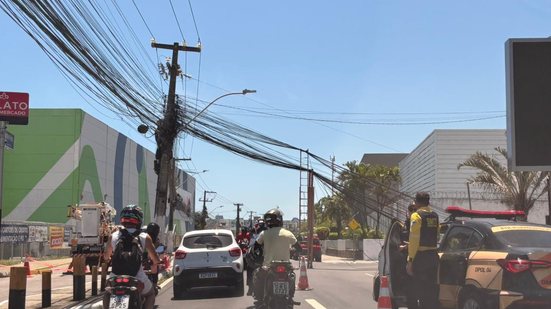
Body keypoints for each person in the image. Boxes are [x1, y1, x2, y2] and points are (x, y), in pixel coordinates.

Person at [103, 205, 160, 309]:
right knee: (150, 294)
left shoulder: (114, 235)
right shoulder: (144, 237)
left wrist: (108, 259)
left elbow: (106, 256)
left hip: (115, 277)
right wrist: (155, 263)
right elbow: (155, 259)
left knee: (107, 294)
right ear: (139, 219)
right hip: (137, 277)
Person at [252, 208, 301, 302]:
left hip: (268, 266)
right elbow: (299, 248)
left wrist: (260, 254)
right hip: (286, 265)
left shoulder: (264, 234)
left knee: (257, 275)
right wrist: (293, 251)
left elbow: (255, 247)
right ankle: (290, 297)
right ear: (280, 220)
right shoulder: (288, 233)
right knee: (292, 276)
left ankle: (260, 299)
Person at [406, 192, 440, 309]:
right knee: (431, 290)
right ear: (428, 202)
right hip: (433, 257)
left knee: (418, 290)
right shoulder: (435, 216)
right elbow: (437, 236)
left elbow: (414, 239)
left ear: (416, 203)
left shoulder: (416, 216)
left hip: (421, 258)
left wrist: (410, 260)